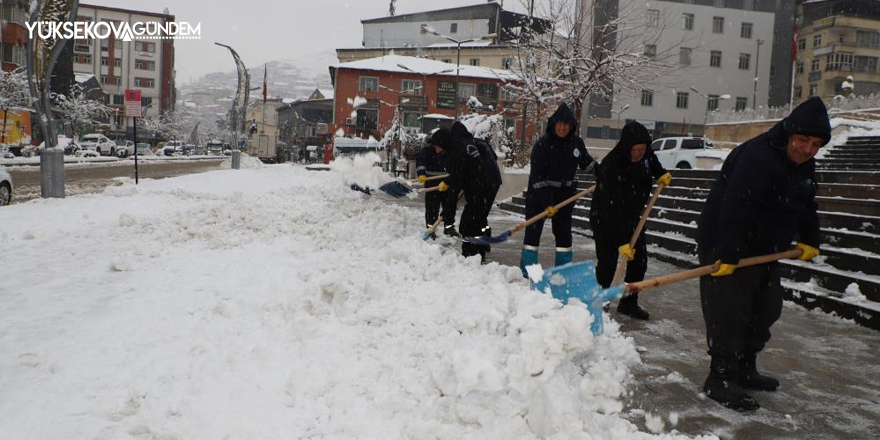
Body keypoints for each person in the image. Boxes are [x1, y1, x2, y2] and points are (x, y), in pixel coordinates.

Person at [696, 97, 829, 411]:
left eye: (816, 144)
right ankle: (720, 377)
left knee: (766, 308)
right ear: (789, 134)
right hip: (726, 240)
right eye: (803, 141)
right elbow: (736, 206)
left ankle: (744, 367)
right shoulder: (758, 156)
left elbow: (807, 201)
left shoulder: (803, 163)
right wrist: (728, 252)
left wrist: (810, 237)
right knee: (729, 311)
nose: (808, 149)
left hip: (764, 249)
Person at [589, 121, 671, 320]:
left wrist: (661, 174)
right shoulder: (612, 165)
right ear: (626, 147)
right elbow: (613, 208)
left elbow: (652, 161)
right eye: (633, 150)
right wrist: (624, 240)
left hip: (633, 216)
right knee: (608, 265)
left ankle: (628, 303)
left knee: (639, 262)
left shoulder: (646, 154)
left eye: (641, 149)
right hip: (606, 218)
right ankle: (601, 303)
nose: (637, 154)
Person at [519, 103, 595, 277]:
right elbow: (537, 177)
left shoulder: (576, 144)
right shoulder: (543, 145)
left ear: (571, 126)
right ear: (554, 124)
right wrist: (547, 203)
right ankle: (529, 273)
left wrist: (603, 174)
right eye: (559, 123)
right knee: (533, 235)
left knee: (564, 237)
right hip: (538, 197)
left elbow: (587, 164)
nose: (562, 127)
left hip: (565, 197)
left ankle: (562, 273)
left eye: (566, 124)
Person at [429, 122, 502, 261]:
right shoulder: (473, 143)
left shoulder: (457, 151)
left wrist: (447, 210)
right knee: (478, 219)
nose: (436, 150)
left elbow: (456, 184)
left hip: (481, 185)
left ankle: (471, 256)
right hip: (490, 181)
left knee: (468, 224)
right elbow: (461, 173)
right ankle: (480, 250)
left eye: (437, 146)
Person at [416, 139, 459, 238]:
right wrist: (421, 173)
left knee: (449, 206)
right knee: (432, 207)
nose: (438, 149)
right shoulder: (427, 151)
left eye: (440, 146)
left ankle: (449, 227)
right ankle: (431, 228)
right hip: (432, 181)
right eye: (436, 146)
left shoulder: (450, 151)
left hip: (447, 182)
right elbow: (420, 160)